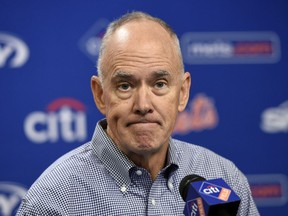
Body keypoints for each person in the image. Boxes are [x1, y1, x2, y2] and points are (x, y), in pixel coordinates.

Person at [17, 11, 259, 215]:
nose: (143, 104)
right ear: (100, 95)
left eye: (160, 84)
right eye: (125, 86)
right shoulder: (51, 201)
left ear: (183, 92)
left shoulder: (225, 178)